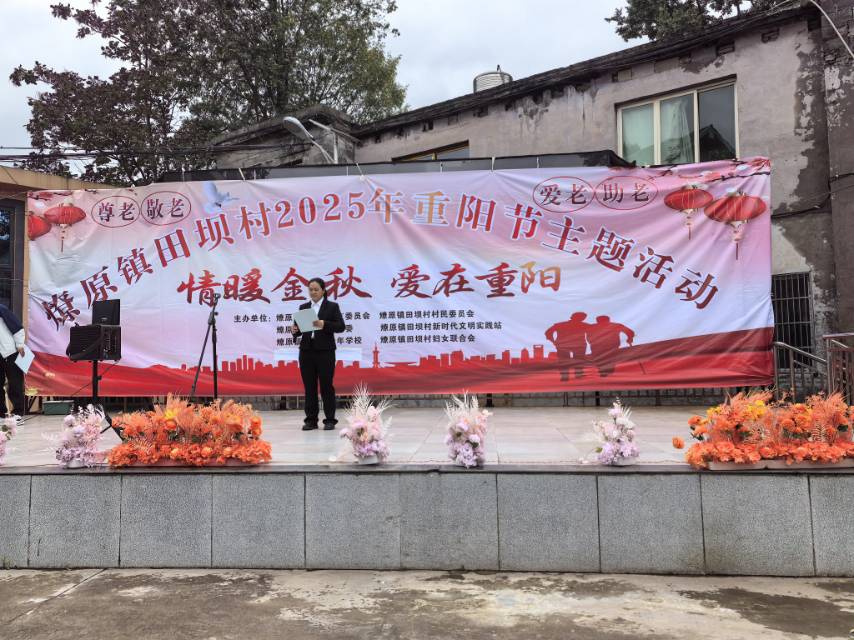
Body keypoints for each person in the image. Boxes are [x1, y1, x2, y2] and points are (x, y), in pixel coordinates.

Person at [291, 278, 345, 430]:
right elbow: (299, 330)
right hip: (306, 351)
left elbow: (341, 326)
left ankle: (329, 420)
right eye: (311, 290)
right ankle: (311, 420)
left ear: (323, 290)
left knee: (326, 386)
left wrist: (324, 324)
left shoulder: (332, 307)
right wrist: (295, 331)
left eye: (316, 289)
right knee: (310, 387)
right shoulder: (304, 307)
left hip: (325, 351)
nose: (313, 292)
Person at [545, 312, 591, 381]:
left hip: (564, 345)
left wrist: (553, 341)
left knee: (564, 360)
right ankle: (577, 374)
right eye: (583, 318)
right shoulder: (584, 325)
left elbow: (548, 332)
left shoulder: (560, 325)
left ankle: (565, 376)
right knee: (578, 360)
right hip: (578, 345)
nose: (583, 319)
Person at [0, 303, 26, 416]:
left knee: (15, 383)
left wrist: (20, 344)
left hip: (10, 351)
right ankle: (1, 413)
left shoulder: (1, 309)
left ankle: (18, 412)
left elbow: (17, 327)